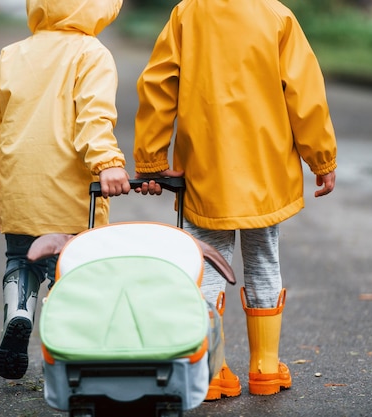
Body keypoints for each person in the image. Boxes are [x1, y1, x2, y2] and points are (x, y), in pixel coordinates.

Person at [132, 0, 337, 399]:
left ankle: (210, 369)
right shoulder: (277, 15)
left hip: (206, 169)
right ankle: (264, 366)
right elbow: (304, 92)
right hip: (266, 169)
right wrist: (321, 157)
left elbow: (158, 86)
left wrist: (152, 159)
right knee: (263, 258)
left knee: (208, 261)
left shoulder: (186, 14)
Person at [0, 0, 131, 380]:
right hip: (70, 192)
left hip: (19, 186)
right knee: (69, 268)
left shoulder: (13, 54)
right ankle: (67, 349)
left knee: (21, 259)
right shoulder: (92, 53)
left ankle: (19, 311)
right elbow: (93, 114)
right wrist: (108, 162)